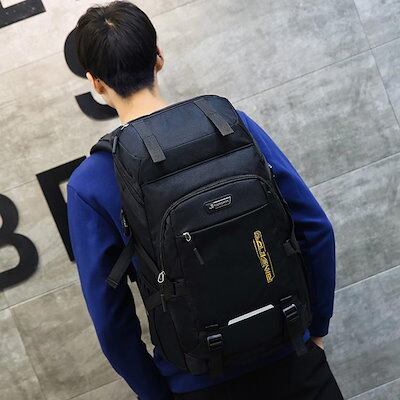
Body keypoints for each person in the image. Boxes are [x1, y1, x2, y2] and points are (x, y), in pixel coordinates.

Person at [67, 2, 344, 399]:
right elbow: (316, 229)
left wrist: (160, 393)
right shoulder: (231, 126)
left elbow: (112, 322)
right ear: (158, 57)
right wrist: (315, 330)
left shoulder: (91, 181)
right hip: (292, 358)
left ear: (95, 83)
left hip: (195, 381)